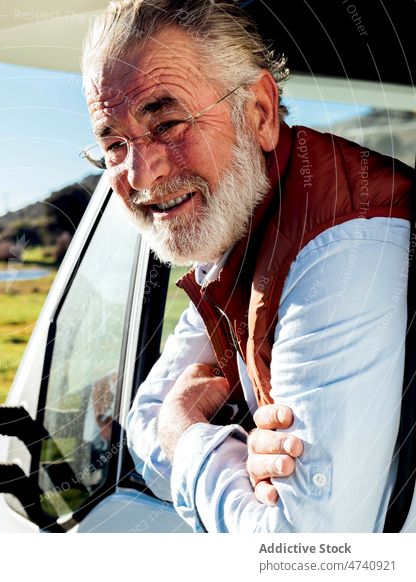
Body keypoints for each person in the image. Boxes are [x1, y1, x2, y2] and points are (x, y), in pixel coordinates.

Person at [79, 0, 413, 532]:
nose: (140, 175)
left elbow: (310, 552)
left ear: (258, 111)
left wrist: (189, 433)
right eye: (115, 145)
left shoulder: (342, 242)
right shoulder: (240, 228)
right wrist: (230, 455)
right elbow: (146, 421)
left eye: (166, 122)